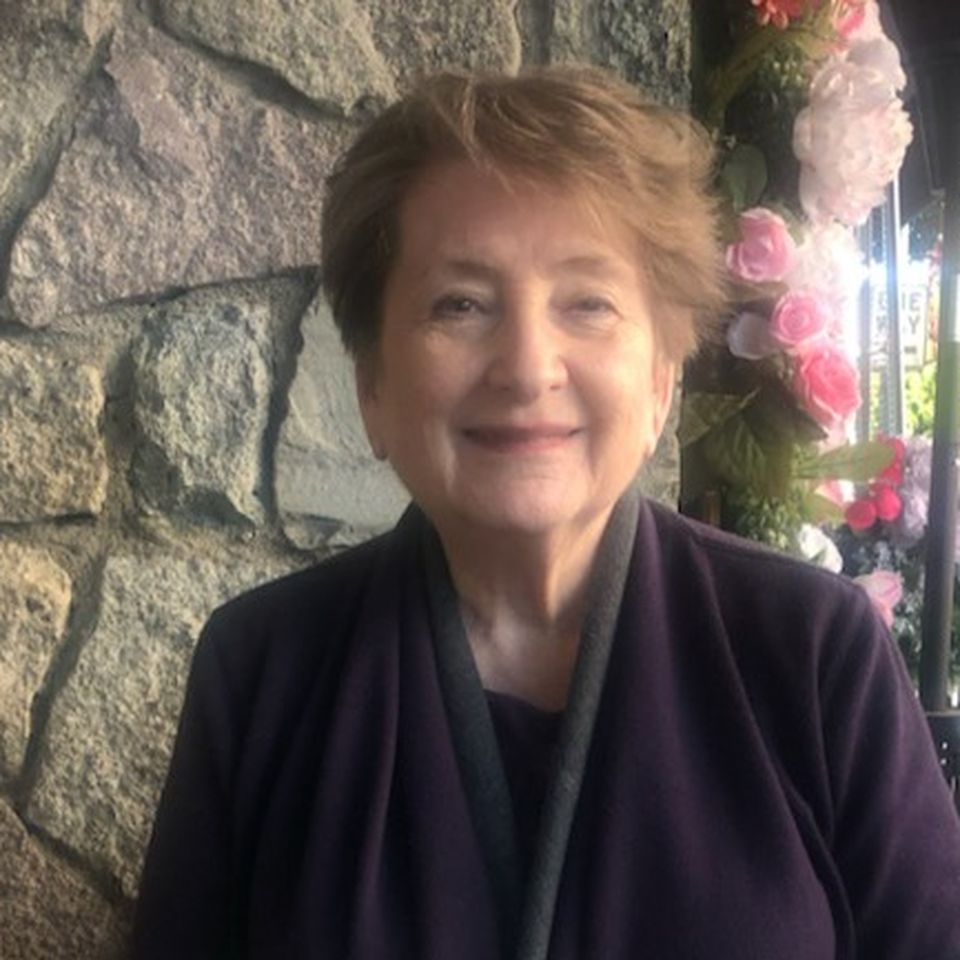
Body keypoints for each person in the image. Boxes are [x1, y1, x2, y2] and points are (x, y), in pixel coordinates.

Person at [132, 66, 960, 959]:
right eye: (460, 305)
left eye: (588, 304)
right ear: (372, 386)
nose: (527, 368)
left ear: (660, 381)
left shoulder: (815, 652)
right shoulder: (261, 670)